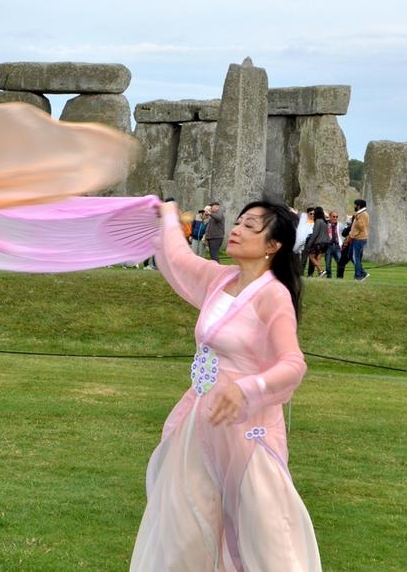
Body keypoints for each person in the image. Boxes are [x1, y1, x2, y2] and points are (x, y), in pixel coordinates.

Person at [130, 199, 320, 570]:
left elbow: (292, 364)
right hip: (203, 420)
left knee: (266, 538)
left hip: (248, 430)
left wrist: (248, 389)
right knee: (185, 525)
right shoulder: (221, 280)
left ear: (273, 245)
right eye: (238, 222)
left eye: (251, 226)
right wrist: (169, 216)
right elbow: (180, 260)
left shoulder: (273, 295)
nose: (236, 229)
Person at [346, 198, 370, 282]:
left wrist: (356, 219)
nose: (354, 206)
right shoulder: (359, 214)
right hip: (355, 238)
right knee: (350, 256)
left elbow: (361, 227)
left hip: (359, 239)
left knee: (355, 257)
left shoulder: (363, 214)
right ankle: (363, 272)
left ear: (359, 206)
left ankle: (358, 277)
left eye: (355, 205)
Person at [306, 206, 330, 277]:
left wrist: (309, 245)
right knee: (318, 258)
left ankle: (321, 270)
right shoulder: (325, 222)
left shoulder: (318, 221)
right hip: (326, 243)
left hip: (319, 243)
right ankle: (320, 273)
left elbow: (315, 234)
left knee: (311, 256)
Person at [294, 207, 315, 276]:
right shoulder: (303, 222)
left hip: (313, 244)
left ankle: (310, 274)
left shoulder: (316, 222)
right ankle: (300, 273)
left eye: (314, 214)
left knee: (312, 260)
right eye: (311, 214)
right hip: (304, 244)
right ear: (307, 214)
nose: (312, 215)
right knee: (304, 259)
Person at [324, 211, 343, 278]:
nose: (335, 218)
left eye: (336, 217)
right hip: (328, 246)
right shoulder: (325, 224)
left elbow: (344, 232)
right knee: (327, 263)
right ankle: (329, 277)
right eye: (333, 216)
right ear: (330, 217)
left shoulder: (339, 225)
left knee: (340, 262)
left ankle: (339, 277)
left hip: (337, 246)